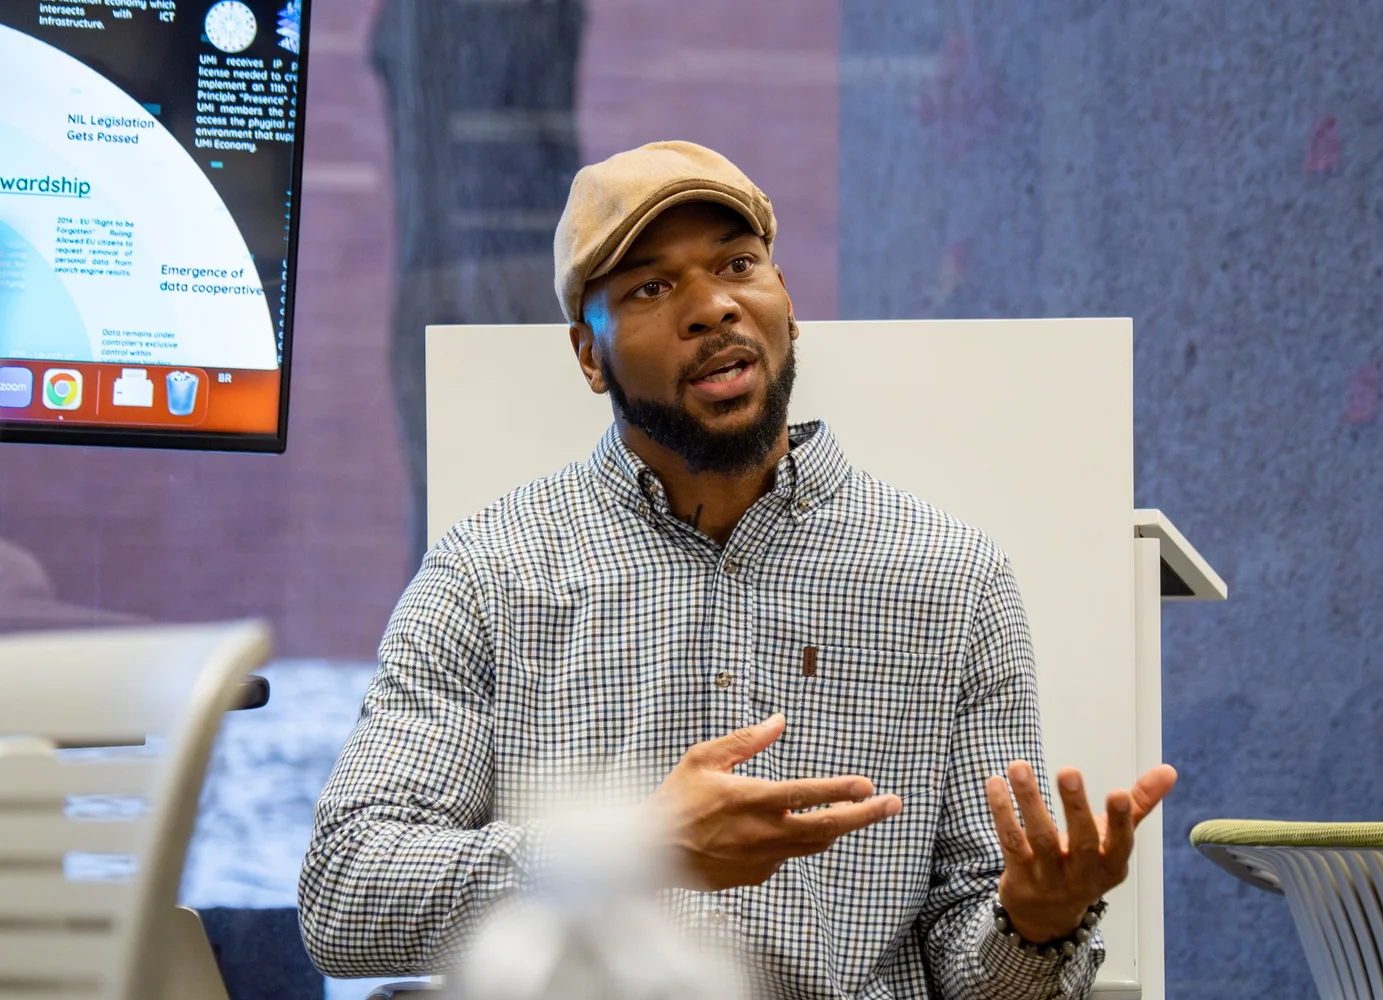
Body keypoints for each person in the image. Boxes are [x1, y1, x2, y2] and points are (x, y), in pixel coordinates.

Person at [298, 140, 1177, 999]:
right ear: (588, 355)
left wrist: (1036, 924)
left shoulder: (949, 577)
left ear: (785, 301)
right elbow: (345, 898)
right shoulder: (487, 572)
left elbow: (982, 975)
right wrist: (627, 851)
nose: (712, 307)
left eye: (738, 265)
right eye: (650, 286)